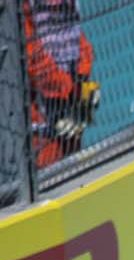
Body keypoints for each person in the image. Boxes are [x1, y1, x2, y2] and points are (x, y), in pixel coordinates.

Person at [23, 0, 99, 168]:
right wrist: (68, 88)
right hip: (41, 109)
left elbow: (77, 35)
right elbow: (31, 54)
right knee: (49, 177)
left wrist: (81, 80)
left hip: (68, 98)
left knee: (74, 170)